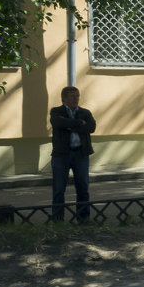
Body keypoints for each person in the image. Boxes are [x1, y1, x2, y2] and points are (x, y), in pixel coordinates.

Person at [49, 86, 96, 221]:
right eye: (72, 96)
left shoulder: (85, 113)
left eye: (78, 96)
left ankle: (83, 218)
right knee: (59, 189)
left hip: (80, 154)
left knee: (83, 187)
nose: (76, 99)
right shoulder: (56, 111)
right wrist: (79, 124)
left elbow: (91, 127)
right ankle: (58, 220)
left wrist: (70, 126)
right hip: (61, 155)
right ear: (64, 98)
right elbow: (58, 123)